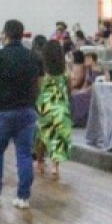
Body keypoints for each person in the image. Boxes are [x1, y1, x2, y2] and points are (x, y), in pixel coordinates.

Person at [0, 19, 43, 209]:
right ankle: (23, 197)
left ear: (5, 34)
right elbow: (39, 87)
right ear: (22, 35)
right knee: (24, 154)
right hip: (27, 112)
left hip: (3, 111)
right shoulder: (35, 57)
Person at [34, 40, 72, 180]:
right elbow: (69, 90)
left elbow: (37, 89)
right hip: (61, 106)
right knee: (59, 137)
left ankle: (39, 162)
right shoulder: (65, 73)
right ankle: (55, 166)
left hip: (46, 106)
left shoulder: (43, 73)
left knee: (42, 136)